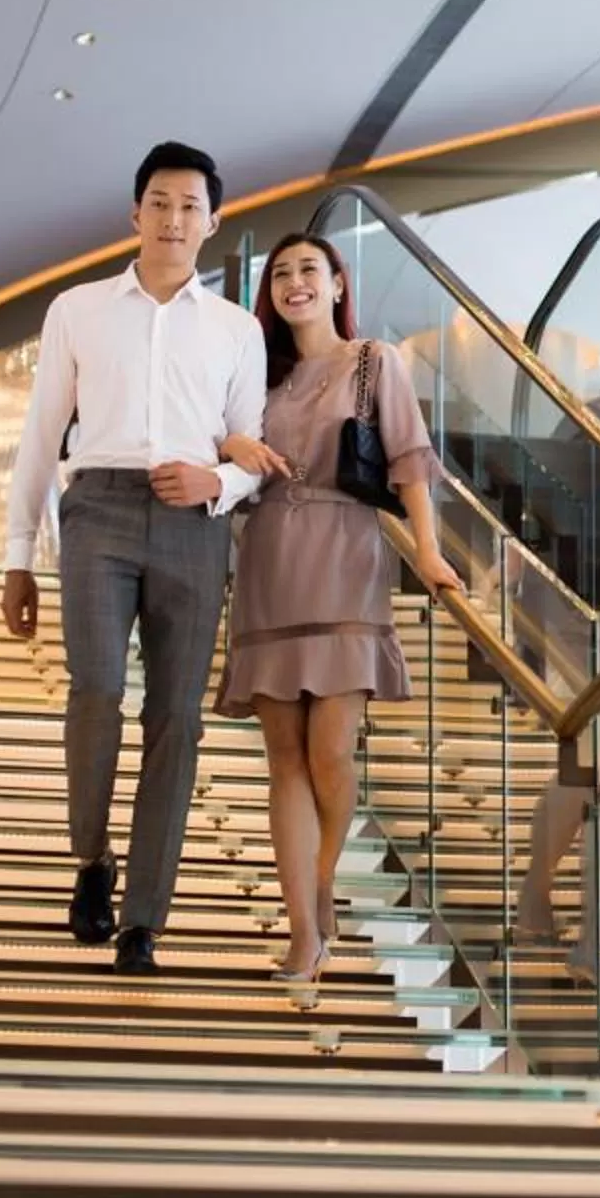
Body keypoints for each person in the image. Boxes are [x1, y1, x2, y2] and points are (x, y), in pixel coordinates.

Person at [1, 142, 267, 977]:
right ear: (135, 212)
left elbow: (251, 452)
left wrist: (214, 480)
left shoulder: (236, 329)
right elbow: (43, 434)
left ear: (213, 223)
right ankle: (91, 863)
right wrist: (16, 554)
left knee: (176, 721)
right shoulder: (77, 309)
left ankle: (145, 917)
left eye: (191, 206)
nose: (174, 218)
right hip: (100, 510)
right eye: (160, 202)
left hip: (194, 521)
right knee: (97, 691)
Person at [213, 232, 460, 980]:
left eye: (308, 271)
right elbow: (220, 453)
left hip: (347, 556)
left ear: (337, 283)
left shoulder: (372, 362)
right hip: (267, 563)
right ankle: (302, 927)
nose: (294, 284)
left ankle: (323, 885)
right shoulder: (257, 377)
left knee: (331, 751)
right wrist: (232, 444)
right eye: (281, 274)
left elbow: (411, 460)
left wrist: (428, 546)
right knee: (283, 757)